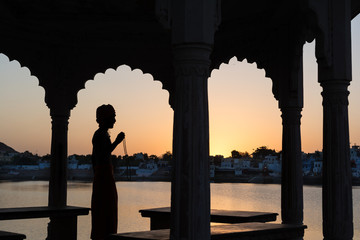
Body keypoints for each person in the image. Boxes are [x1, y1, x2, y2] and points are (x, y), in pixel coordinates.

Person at [91, 104, 125, 240]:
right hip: (103, 178)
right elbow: (103, 154)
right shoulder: (99, 135)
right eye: (113, 117)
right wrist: (117, 141)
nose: (114, 121)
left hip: (104, 177)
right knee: (104, 210)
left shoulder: (102, 134)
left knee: (108, 210)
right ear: (105, 118)